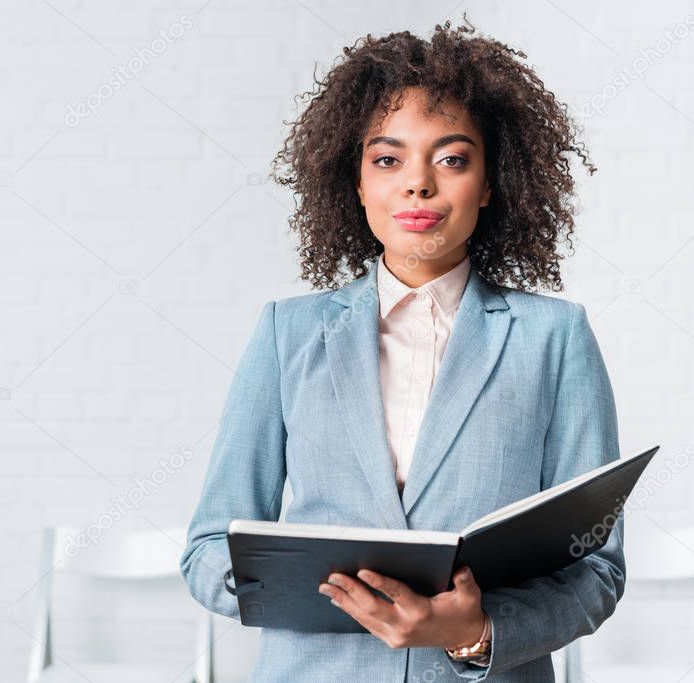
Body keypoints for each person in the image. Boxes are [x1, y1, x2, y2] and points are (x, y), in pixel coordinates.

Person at [180, 16, 623, 682]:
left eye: (451, 158)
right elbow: (207, 549)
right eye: (387, 159)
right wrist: (300, 589)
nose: (417, 183)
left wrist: (474, 631)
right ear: (356, 183)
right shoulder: (286, 333)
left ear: (491, 180)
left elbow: (596, 567)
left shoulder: (553, 338)